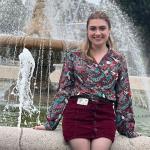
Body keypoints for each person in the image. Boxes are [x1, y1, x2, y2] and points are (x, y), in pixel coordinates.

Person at [34, 11, 140, 150]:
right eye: (93, 28)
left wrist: (128, 128)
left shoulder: (118, 59)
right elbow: (64, 91)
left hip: (104, 115)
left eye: (102, 28)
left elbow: (123, 94)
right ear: (87, 31)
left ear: (109, 31)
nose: (97, 33)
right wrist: (50, 123)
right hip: (77, 113)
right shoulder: (74, 57)